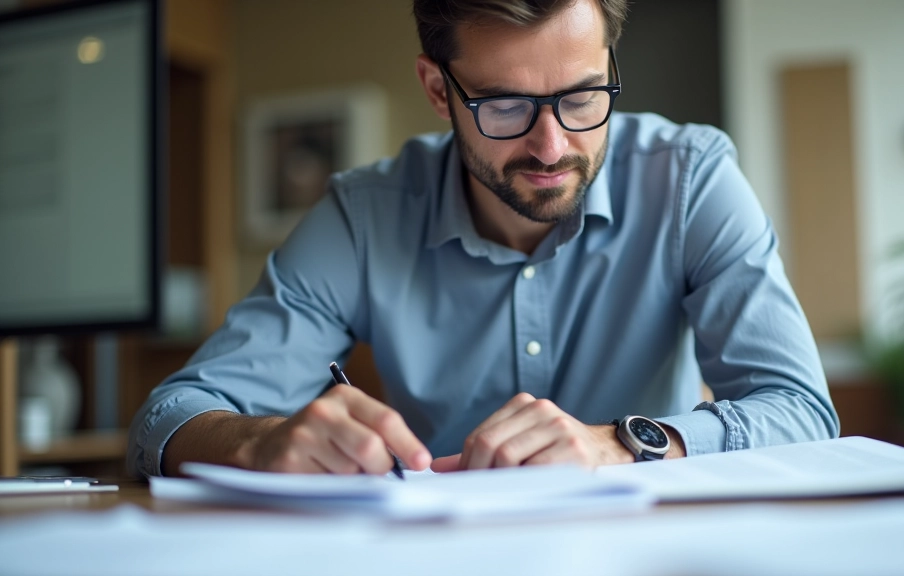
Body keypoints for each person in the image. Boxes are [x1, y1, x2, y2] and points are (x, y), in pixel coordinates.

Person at [129, 0, 839, 478]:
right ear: (439, 91)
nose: (553, 145)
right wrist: (259, 441)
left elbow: (803, 412)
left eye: (583, 96)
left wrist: (621, 444)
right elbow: (165, 419)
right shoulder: (363, 215)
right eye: (505, 104)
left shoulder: (691, 179)